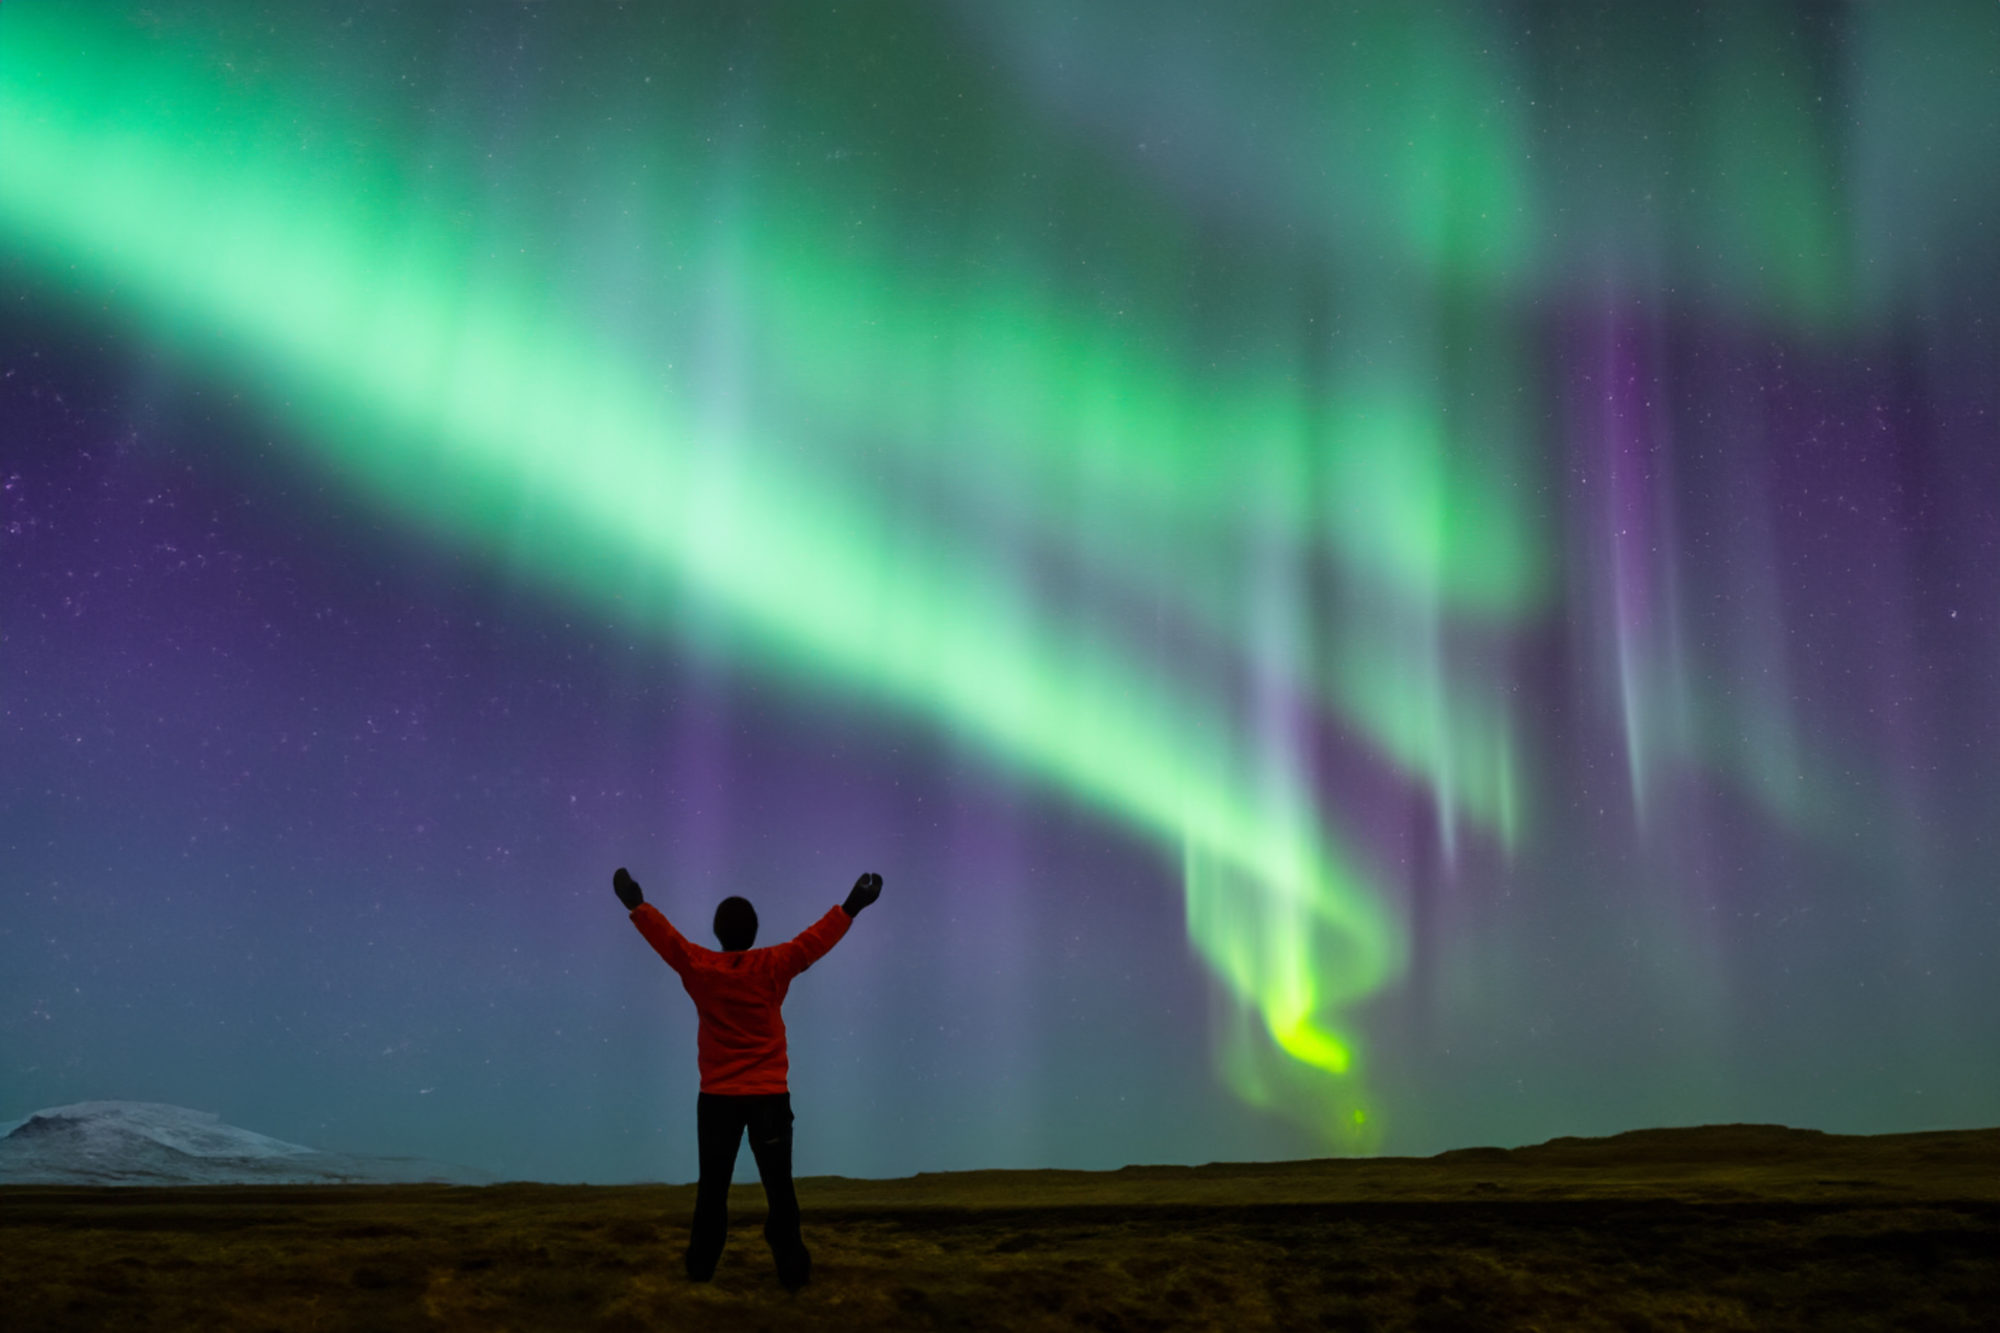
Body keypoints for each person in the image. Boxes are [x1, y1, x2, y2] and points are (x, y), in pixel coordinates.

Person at [614, 864, 883, 1291]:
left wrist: (636, 904)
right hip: (769, 1099)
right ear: (754, 932)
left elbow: (669, 943)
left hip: (717, 1099)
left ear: (718, 932)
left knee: (712, 1191)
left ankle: (700, 1269)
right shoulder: (774, 964)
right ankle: (793, 1273)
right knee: (780, 1192)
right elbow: (813, 942)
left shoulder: (700, 967)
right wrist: (853, 904)